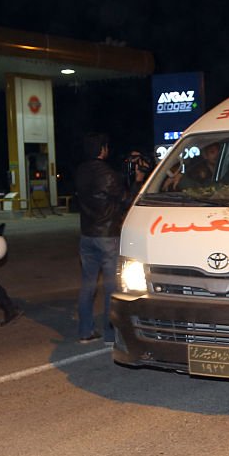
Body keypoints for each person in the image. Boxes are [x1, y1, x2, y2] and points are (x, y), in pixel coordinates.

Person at [75, 132, 128, 344]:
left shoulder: (80, 172)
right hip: (107, 235)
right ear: (102, 149)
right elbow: (125, 200)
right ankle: (109, 334)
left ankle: (85, 331)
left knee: (87, 284)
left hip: (86, 234)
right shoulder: (107, 174)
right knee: (110, 286)